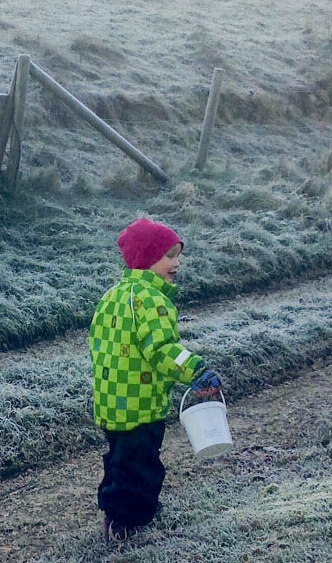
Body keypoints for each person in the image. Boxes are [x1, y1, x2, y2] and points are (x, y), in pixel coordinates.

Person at [88, 218, 222, 545]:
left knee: (120, 460)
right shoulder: (150, 299)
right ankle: (127, 523)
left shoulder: (113, 295)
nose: (177, 263)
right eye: (169, 256)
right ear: (148, 259)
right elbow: (161, 350)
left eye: (177, 255)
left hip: (111, 400)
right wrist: (195, 371)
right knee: (142, 465)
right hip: (140, 402)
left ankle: (117, 512)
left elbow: (97, 344)